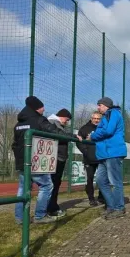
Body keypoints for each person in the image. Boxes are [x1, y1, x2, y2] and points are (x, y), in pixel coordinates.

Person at [12, 96, 80, 224]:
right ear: (37, 108)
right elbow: (55, 132)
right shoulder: (39, 120)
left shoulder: (18, 124)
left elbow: (15, 144)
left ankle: (20, 218)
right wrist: (74, 136)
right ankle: (40, 215)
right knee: (47, 185)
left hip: (22, 161)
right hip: (36, 160)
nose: (44, 110)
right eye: (42, 107)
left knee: (23, 188)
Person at [89, 97, 127, 220]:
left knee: (115, 182)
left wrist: (93, 136)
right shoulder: (105, 117)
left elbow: (109, 131)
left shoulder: (113, 113)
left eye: (99, 105)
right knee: (100, 181)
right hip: (104, 154)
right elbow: (104, 130)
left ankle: (119, 208)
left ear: (106, 105)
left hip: (113, 152)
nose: (98, 108)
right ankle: (111, 206)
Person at [47, 109, 74, 217]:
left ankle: (52, 206)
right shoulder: (53, 123)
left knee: (55, 183)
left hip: (59, 157)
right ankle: (51, 208)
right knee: (52, 184)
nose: (66, 122)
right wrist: (74, 136)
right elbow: (61, 135)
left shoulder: (56, 124)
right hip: (55, 157)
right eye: (66, 120)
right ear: (62, 117)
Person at [76, 112, 106, 206]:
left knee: (102, 179)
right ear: (91, 118)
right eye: (95, 118)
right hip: (89, 159)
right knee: (89, 179)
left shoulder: (104, 128)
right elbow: (79, 142)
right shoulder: (84, 129)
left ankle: (101, 197)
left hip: (101, 158)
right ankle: (91, 198)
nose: (96, 120)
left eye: (99, 119)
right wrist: (86, 151)